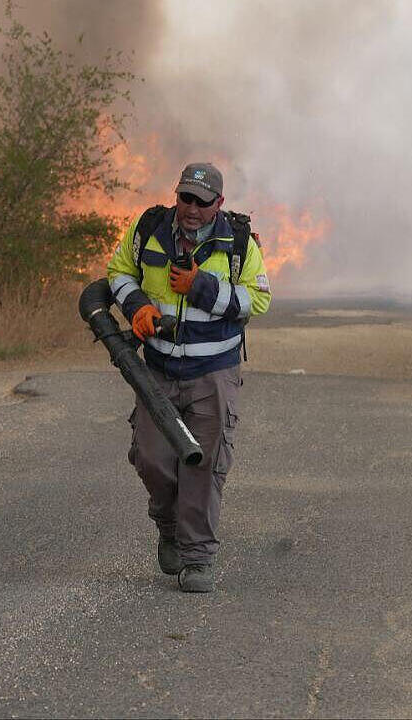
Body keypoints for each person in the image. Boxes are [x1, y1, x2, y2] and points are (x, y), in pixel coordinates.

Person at [106, 162, 271, 593]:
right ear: (176, 195)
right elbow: (119, 271)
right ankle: (168, 525)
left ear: (219, 203)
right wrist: (137, 304)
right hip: (156, 371)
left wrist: (203, 287)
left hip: (212, 373)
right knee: (151, 457)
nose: (191, 208)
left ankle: (198, 559)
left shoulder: (237, 243)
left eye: (202, 201)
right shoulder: (149, 229)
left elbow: (259, 300)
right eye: (185, 198)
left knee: (203, 463)